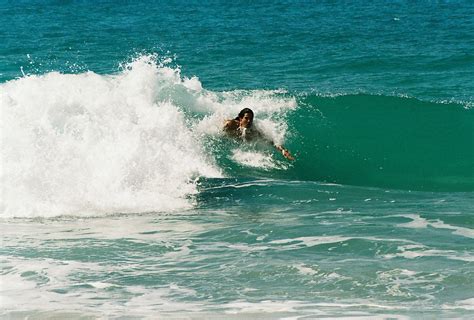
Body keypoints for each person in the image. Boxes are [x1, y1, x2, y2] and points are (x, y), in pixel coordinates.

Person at [223, 108, 295, 160]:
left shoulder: (254, 130)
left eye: (251, 119)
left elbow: (271, 142)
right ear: (240, 118)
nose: (249, 121)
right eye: (246, 118)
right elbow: (221, 130)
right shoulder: (232, 124)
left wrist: (283, 150)